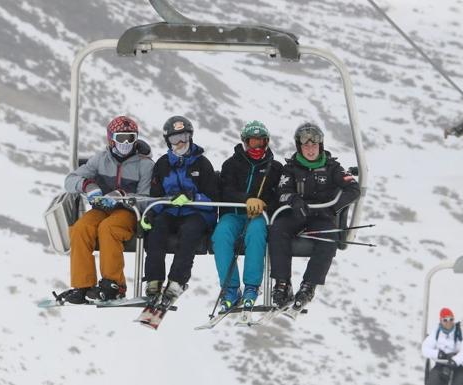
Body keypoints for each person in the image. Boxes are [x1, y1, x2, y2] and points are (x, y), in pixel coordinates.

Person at [60, 116, 154, 304]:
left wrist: (122, 196)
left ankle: (114, 285)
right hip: (102, 209)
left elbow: (146, 199)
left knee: (109, 229)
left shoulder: (145, 164)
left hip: (128, 212)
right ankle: (83, 285)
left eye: (131, 138)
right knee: (80, 229)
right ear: (111, 139)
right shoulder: (100, 159)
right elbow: (70, 181)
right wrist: (87, 186)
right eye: (121, 138)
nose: (126, 143)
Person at [268, 122, 360, 309]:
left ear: (321, 145)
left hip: (321, 216)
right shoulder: (291, 167)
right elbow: (282, 191)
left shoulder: (332, 167)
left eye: (314, 145)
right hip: (296, 214)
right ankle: (282, 283)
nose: (310, 150)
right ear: (299, 147)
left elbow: (353, 189)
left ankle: (309, 285)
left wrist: (332, 208)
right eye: (306, 146)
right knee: (277, 231)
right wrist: (294, 200)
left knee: (329, 238)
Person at [140, 116, 218, 305]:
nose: (181, 142)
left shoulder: (202, 164)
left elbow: (214, 197)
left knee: (190, 231)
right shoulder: (162, 164)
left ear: (190, 136)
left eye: (184, 136)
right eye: (175, 139)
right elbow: (157, 195)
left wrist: (193, 197)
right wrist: (151, 212)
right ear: (168, 141)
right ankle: (154, 280)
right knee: (157, 228)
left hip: (197, 213)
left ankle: (177, 281)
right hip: (171, 212)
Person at [211, 120, 283, 310]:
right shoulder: (232, 164)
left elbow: (279, 196)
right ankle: (230, 288)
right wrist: (246, 199)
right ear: (245, 142)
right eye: (253, 142)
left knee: (257, 232)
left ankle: (252, 286)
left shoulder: (274, 168)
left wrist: (264, 205)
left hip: (259, 216)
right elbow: (225, 190)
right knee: (221, 234)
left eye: (261, 142)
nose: (257, 146)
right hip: (234, 215)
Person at [422, 307, 463, 385]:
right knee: (433, 381)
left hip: (459, 366)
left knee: (460, 382)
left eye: (451, 319)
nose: (448, 322)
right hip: (442, 364)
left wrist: (455, 361)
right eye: (445, 320)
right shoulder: (436, 332)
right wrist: (438, 354)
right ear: (441, 321)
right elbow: (425, 349)